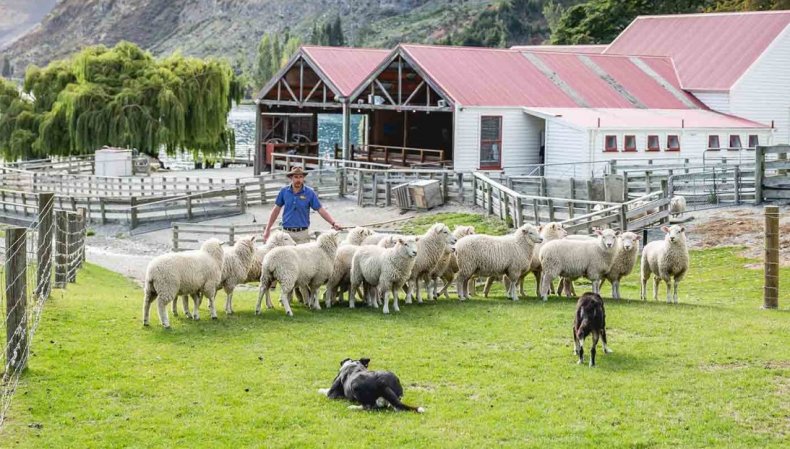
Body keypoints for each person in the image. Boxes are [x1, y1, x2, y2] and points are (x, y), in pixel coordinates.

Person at [262, 166, 342, 243]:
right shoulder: (284, 191)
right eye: (296, 177)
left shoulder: (310, 193)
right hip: (286, 234)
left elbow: (320, 209)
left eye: (300, 177)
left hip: (302, 234)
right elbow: (276, 210)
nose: (298, 179)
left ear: (303, 178)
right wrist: (268, 229)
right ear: (291, 178)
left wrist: (333, 223)